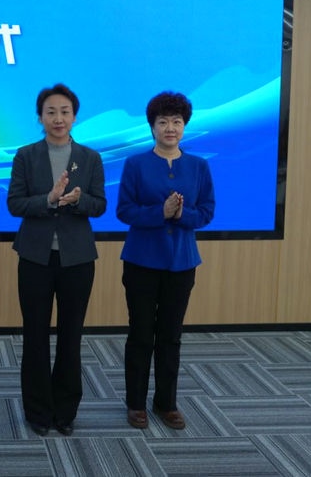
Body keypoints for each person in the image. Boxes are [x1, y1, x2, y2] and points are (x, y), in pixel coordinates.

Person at [7, 84, 106, 436]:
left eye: (65, 111)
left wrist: (78, 200)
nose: (58, 118)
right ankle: (37, 410)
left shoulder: (90, 158)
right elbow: (14, 204)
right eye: (51, 112)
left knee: (70, 334)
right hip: (35, 257)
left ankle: (65, 410)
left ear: (74, 116)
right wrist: (48, 199)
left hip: (77, 259)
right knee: (35, 335)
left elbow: (100, 205)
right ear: (40, 117)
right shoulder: (26, 156)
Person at [116, 91, 215, 431]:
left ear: (184, 126)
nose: (170, 128)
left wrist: (180, 214)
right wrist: (160, 212)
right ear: (152, 127)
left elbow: (207, 212)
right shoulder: (135, 164)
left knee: (171, 335)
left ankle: (166, 403)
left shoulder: (199, 166)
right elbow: (124, 211)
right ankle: (135, 403)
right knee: (141, 333)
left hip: (182, 263)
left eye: (176, 121)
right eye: (163, 122)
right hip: (141, 261)